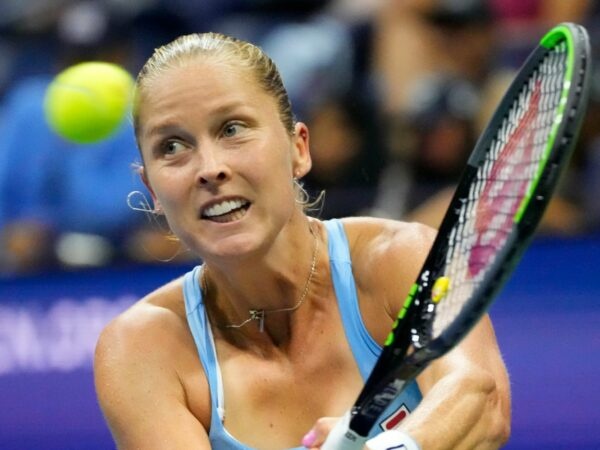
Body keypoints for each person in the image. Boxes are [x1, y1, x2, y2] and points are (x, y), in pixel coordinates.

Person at [94, 32, 511, 449]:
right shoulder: (141, 348)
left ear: (298, 149)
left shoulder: (400, 259)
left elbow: (480, 396)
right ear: (153, 190)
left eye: (233, 128)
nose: (210, 168)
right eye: (172, 146)